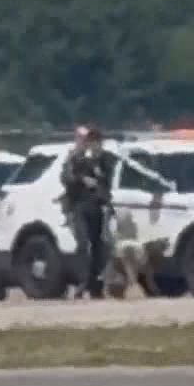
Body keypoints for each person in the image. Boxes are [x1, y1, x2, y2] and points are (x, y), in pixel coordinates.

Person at [59, 127, 114, 299]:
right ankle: (82, 283)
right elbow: (66, 178)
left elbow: (108, 180)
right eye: (84, 140)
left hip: (97, 206)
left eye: (90, 140)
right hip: (79, 207)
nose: (87, 143)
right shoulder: (75, 158)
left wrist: (99, 175)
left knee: (99, 246)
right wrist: (82, 179)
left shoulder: (103, 159)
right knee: (83, 245)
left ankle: (95, 286)